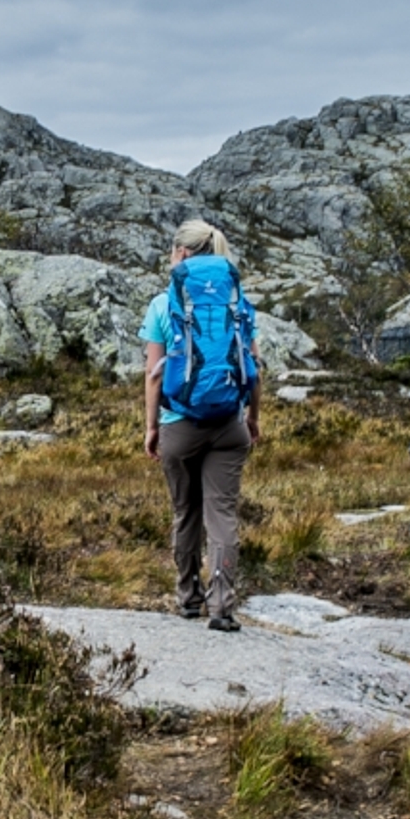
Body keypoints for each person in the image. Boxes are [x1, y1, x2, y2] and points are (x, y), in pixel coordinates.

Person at [141, 219, 263, 629]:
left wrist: (152, 427)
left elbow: (154, 375)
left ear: (180, 253)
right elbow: (254, 367)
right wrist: (252, 417)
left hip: (179, 424)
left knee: (185, 513)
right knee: (223, 514)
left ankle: (188, 598)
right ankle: (223, 606)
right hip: (229, 424)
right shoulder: (238, 300)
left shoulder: (163, 303)